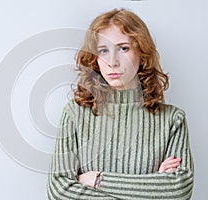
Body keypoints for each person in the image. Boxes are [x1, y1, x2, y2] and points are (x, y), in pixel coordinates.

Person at [47, 8, 194, 200]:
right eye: (103, 50)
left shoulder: (172, 119)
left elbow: (178, 190)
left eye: (123, 48)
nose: (112, 62)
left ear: (142, 52)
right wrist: (150, 188)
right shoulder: (75, 113)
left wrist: (98, 180)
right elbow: (59, 191)